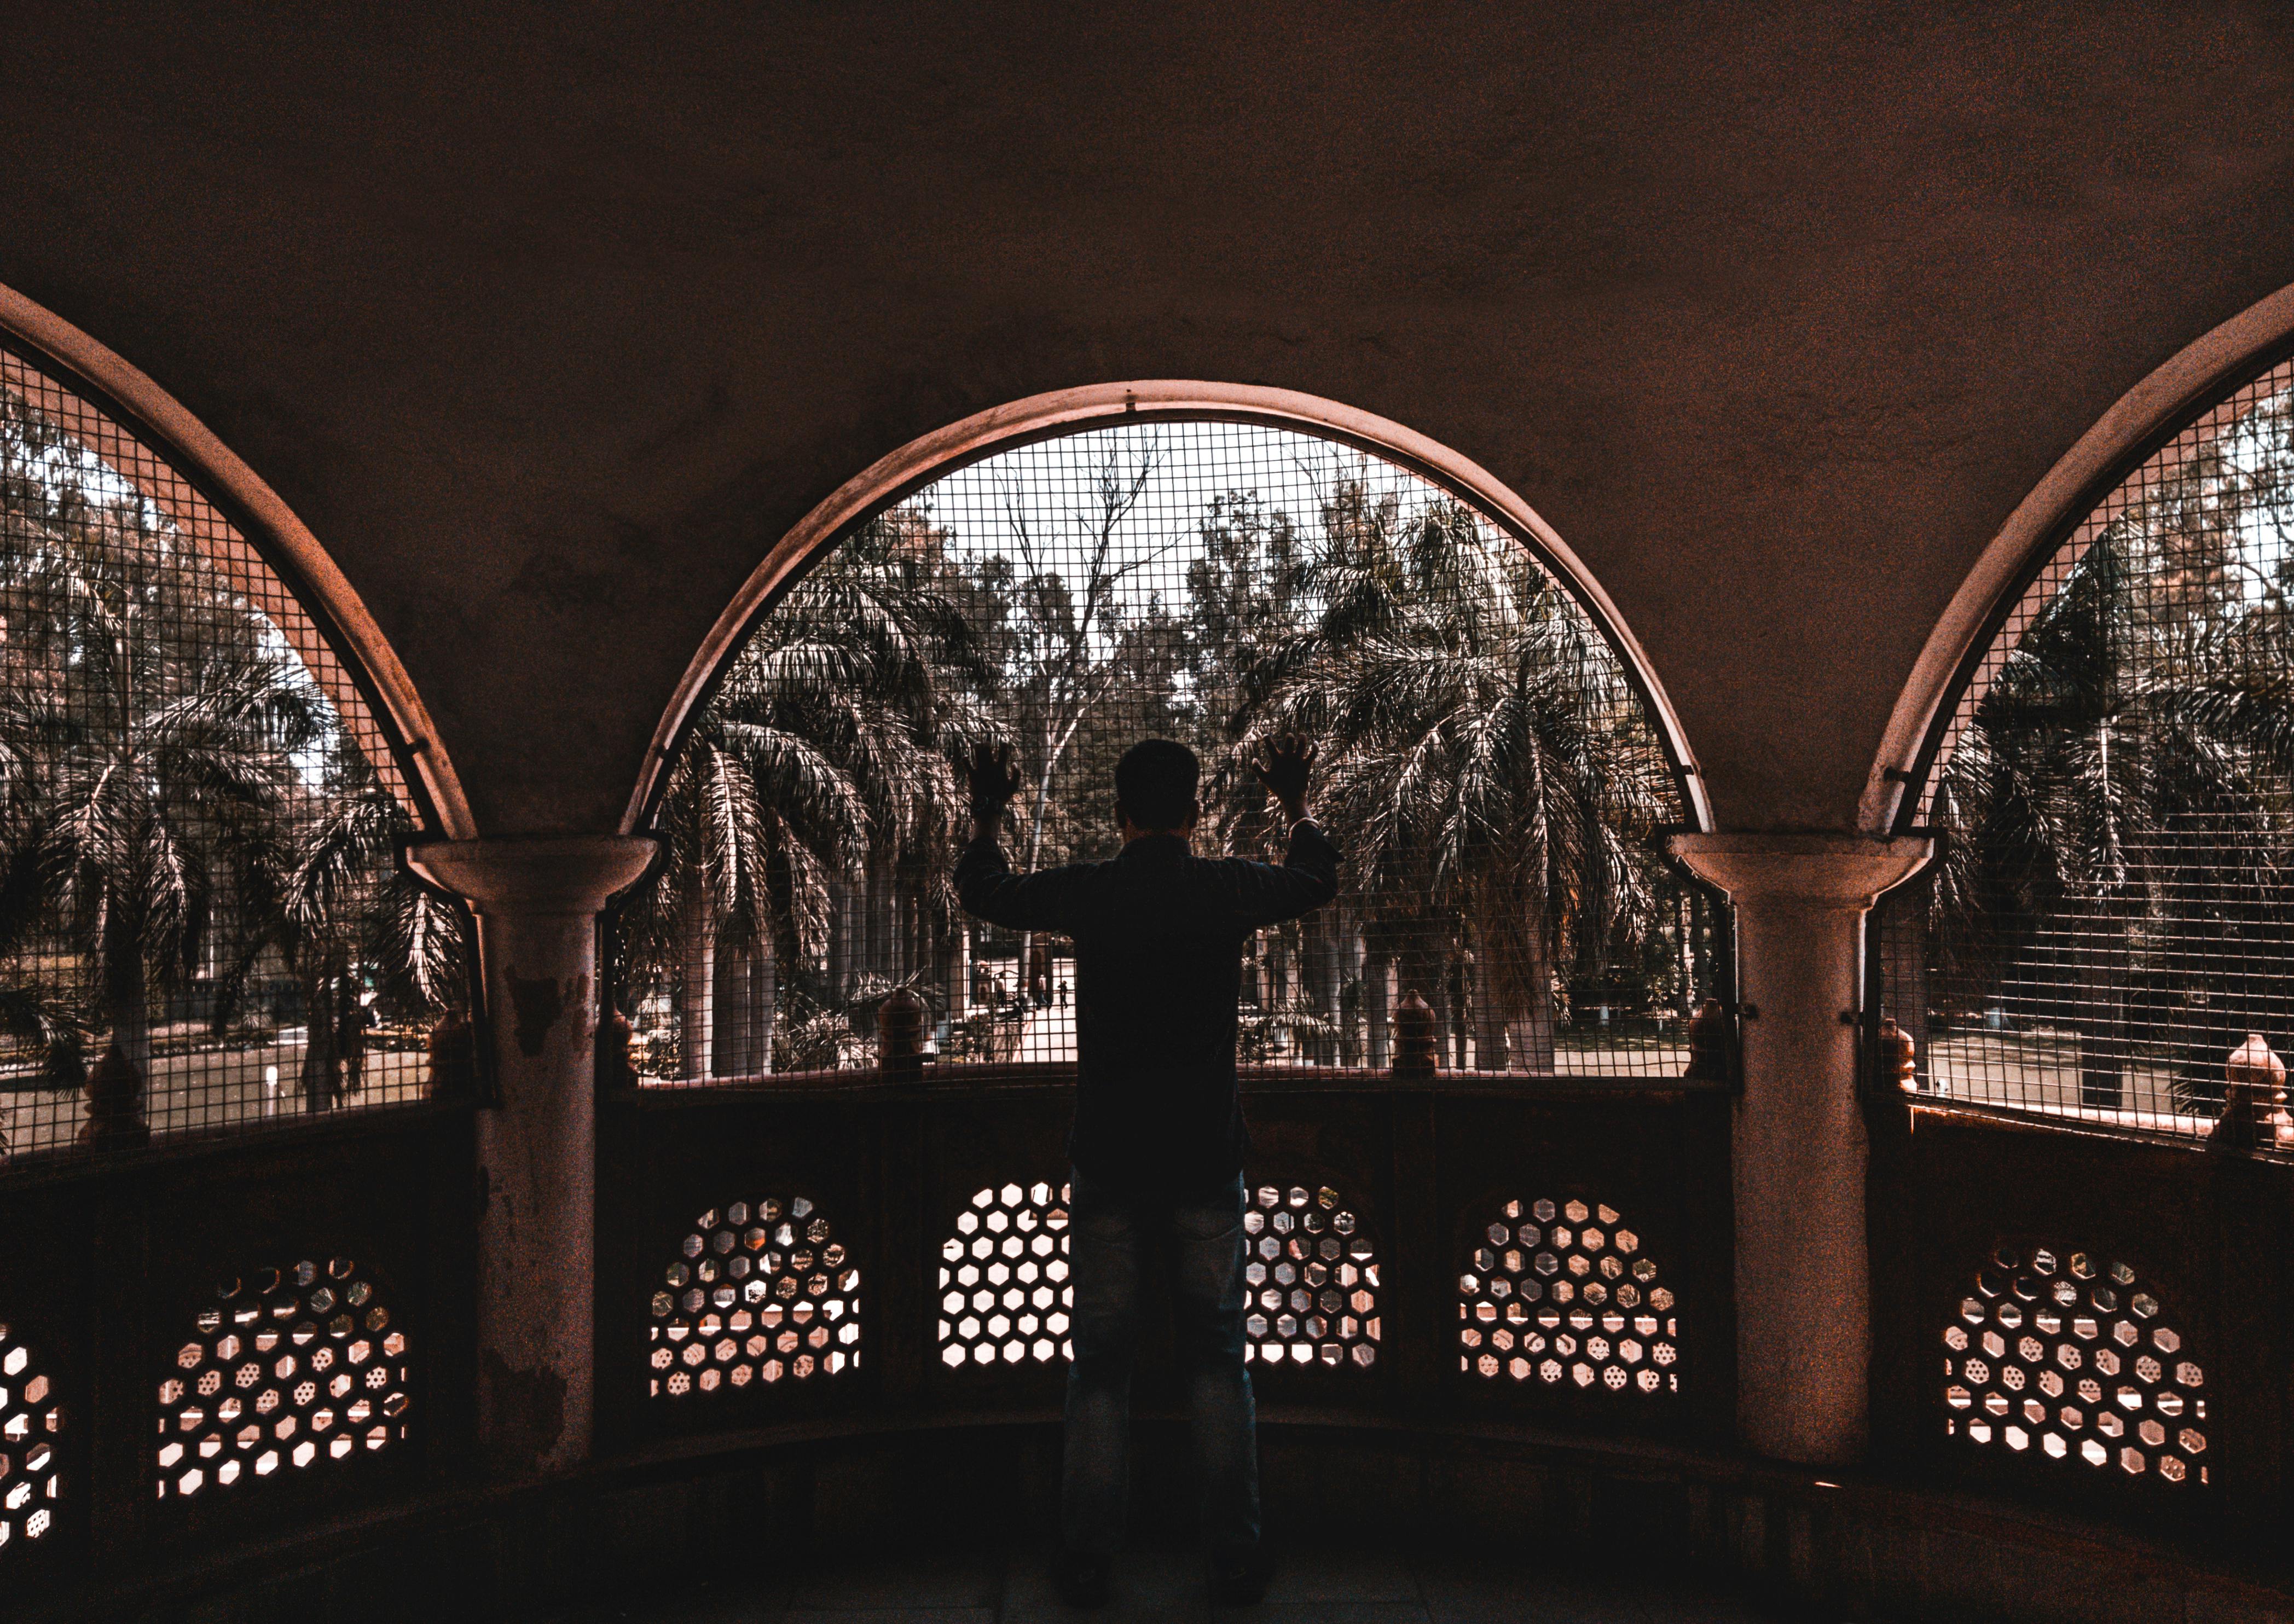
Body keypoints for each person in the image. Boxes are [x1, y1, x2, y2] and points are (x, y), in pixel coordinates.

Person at [957, 734, 1339, 1608]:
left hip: (1112, 1162)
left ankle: (1088, 1554)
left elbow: (984, 891)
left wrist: (988, 812)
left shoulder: (1095, 891)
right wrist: (1295, 801)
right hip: (1205, 1160)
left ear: (1119, 813)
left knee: (1099, 1367)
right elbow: (1318, 879)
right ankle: (1235, 1554)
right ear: (1196, 812)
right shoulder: (1223, 888)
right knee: (1216, 1360)